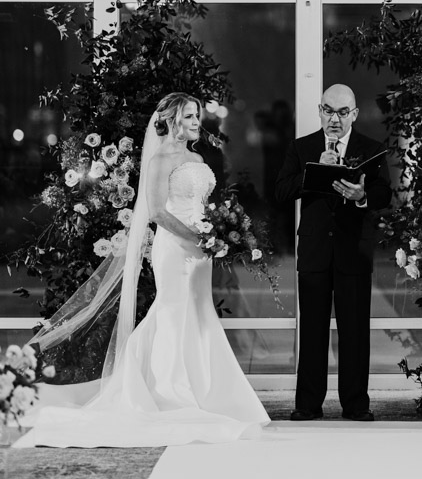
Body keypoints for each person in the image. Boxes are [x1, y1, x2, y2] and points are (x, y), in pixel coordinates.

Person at [16, 92, 269, 448]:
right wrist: (199, 236)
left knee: (199, 314)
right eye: (189, 117)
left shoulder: (196, 156)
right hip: (176, 247)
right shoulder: (160, 159)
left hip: (203, 249)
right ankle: (167, 390)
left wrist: (220, 231)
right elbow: (157, 213)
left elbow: (203, 203)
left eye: (197, 116)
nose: (197, 122)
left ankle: (206, 391)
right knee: (171, 310)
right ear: (170, 120)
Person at [275, 84, 391, 422]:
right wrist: (312, 172)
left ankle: (356, 404)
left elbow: (385, 194)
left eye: (342, 112)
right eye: (328, 110)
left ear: (354, 114)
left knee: (354, 330)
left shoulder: (372, 148)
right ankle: (307, 404)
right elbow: (281, 191)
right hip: (314, 249)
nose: (334, 119)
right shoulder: (303, 147)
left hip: (353, 248)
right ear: (320, 111)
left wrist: (361, 196)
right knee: (312, 330)